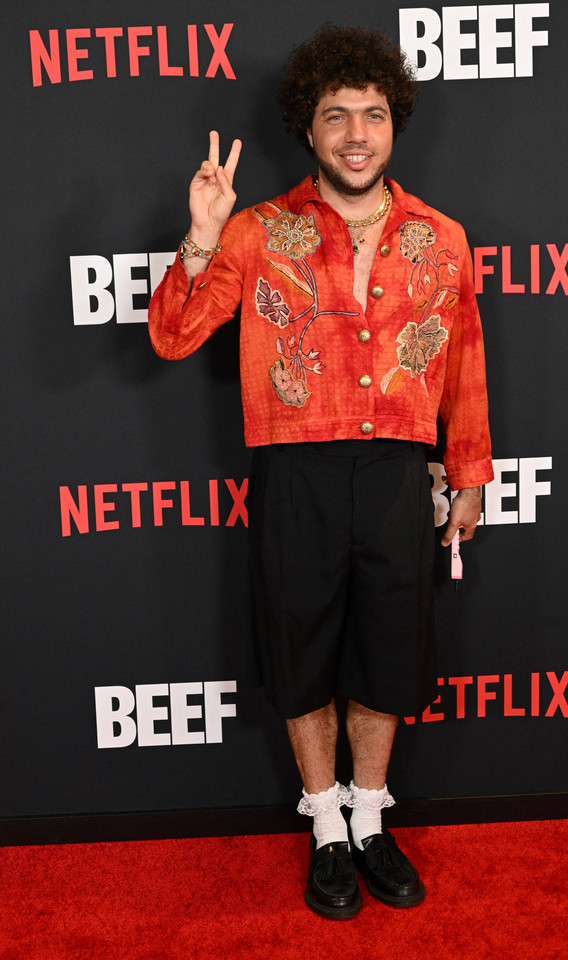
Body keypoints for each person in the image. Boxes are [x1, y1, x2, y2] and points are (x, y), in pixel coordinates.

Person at [149, 24, 493, 920]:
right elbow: (174, 336)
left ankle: (372, 818)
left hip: (396, 475)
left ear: (394, 126)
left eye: (372, 115)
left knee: (386, 658)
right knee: (303, 659)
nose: (354, 133)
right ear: (308, 129)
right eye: (335, 115)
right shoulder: (258, 233)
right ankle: (326, 828)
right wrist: (199, 233)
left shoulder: (444, 240)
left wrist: (469, 474)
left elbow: (462, 366)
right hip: (294, 474)